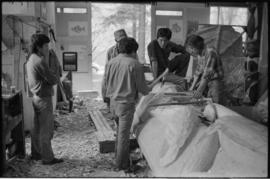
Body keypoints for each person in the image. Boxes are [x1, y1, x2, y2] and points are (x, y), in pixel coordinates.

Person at [104, 37, 152, 172]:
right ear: (133, 50)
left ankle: (120, 158)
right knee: (124, 136)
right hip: (125, 104)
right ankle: (121, 165)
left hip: (113, 103)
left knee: (119, 132)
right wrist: (150, 88)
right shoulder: (134, 64)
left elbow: (106, 83)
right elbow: (143, 89)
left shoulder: (111, 62)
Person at [26, 33, 63, 165]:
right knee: (46, 130)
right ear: (39, 47)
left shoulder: (30, 59)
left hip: (36, 98)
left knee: (37, 128)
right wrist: (54, 73)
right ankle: (47, 158)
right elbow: (53, 79)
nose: (48, 48)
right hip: (44, 99)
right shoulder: (40, 61)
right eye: (46, 45)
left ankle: (36, 154)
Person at [185, 34, 224, 104]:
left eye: (191, 50)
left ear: (194, 47)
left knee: (216, 105)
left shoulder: (210, 51)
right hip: (208, 82)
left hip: (215, 82)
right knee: (209, 104)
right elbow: (198, 72)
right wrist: (191, 88)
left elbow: (207, 75)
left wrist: (199, 91)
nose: (191, 53)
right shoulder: (200, 55)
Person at [102, 29, 128, 107]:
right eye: (120, 40)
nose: (122, 42)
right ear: (116, 40)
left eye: (124, 39)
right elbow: (107, 69)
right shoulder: (111, 51)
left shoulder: (131, 49)